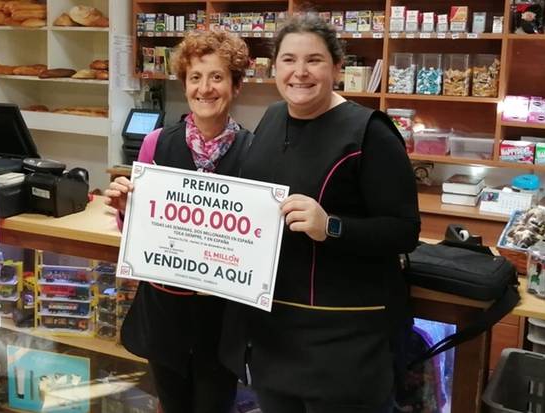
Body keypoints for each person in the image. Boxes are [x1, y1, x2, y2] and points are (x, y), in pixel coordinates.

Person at [219, 14, 421, 413]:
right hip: (274, 332)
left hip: (344, 341)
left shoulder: (370, 132)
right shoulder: (272, 118)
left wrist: (331, 226)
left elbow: (404, 231)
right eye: (289, 60)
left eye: (314, 60)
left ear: (337, 67)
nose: (300, 72)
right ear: (274, 67)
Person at [104, 30, 253, 413]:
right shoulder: (156, 143)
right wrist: (126, 209)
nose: (205, 88)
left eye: (217, 77)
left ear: (236, 85)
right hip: (164, 313)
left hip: (220, 319)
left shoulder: (254, 152)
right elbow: (139, 232)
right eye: (195, 77)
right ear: (184, 84)